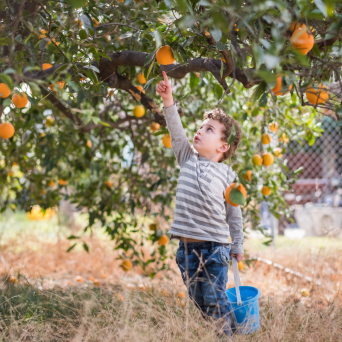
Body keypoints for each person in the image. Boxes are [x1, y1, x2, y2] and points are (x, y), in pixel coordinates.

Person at [156, 71, 244, 338]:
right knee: (201, 303)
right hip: (185, 250)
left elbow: (234, 215)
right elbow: (175, 128)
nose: (199, 131)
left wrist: (237, 245)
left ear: (223, 146)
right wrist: (168, 99)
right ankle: (234, 329)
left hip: (215, 248)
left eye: (209, 129)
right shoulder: (186, 157)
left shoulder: (229, 176)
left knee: (215, 301)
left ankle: (225, 335)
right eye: (201, 126)